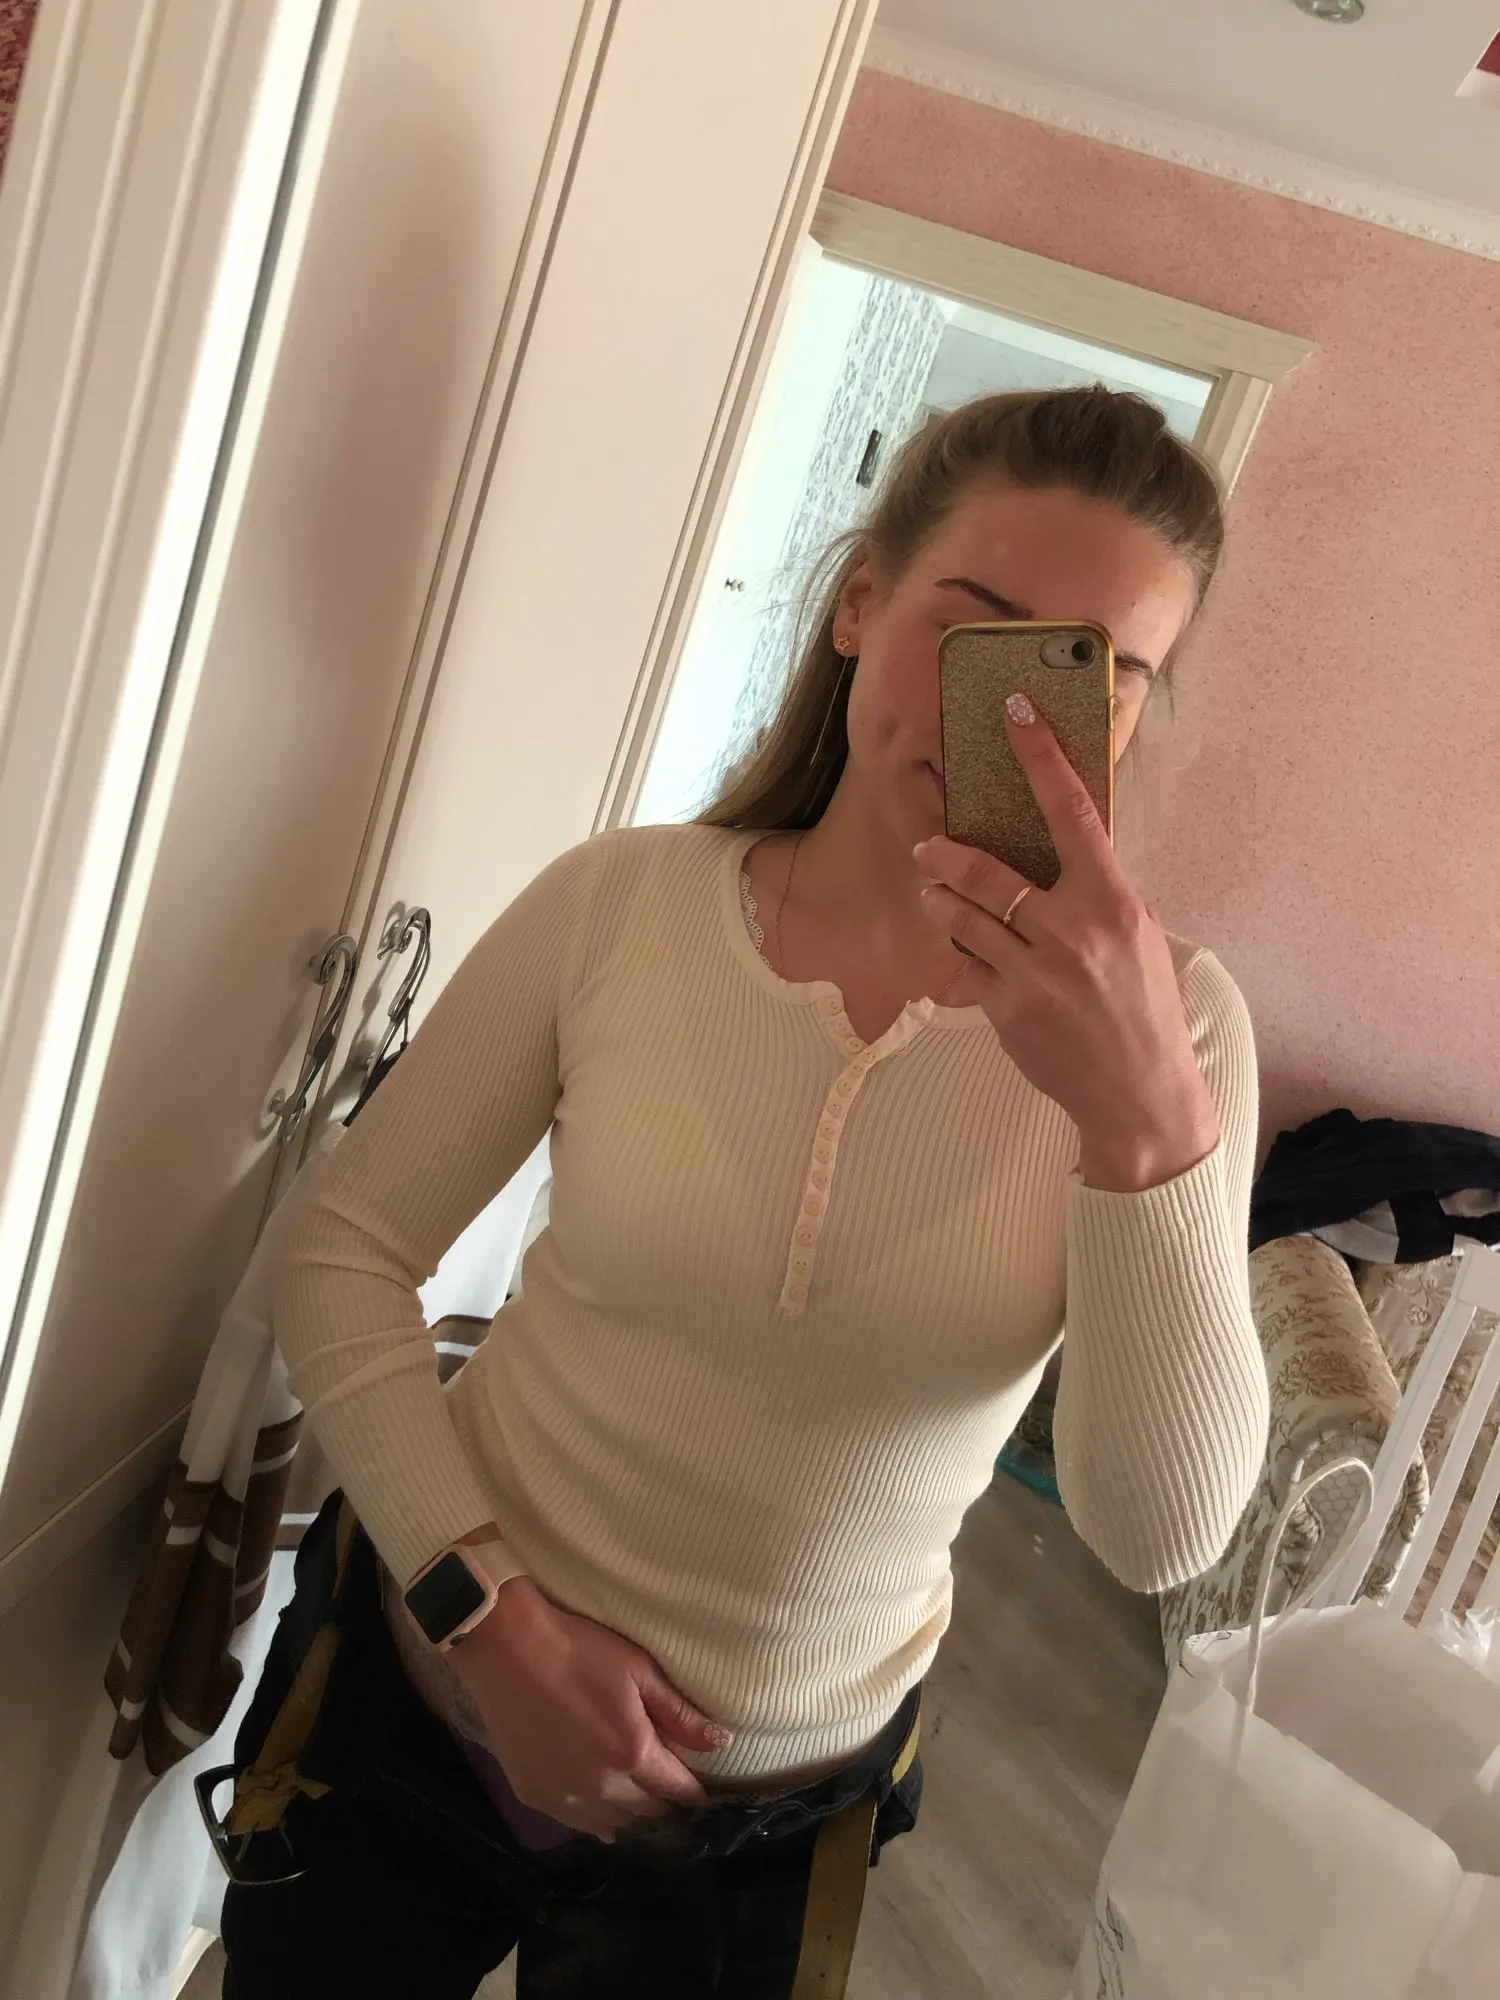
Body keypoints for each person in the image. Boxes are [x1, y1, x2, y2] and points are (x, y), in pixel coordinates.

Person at [222, 386, 1269, 1998]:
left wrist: (1146, 1128)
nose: (1016, 721)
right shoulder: (618, 908)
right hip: (420, 1707)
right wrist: (489, 1618)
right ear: (858, 601)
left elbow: (1156, 1537)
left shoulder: (1177, 1032)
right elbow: (342, 1252)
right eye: (974, 628)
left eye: (1094, 671)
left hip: (767, 1832)